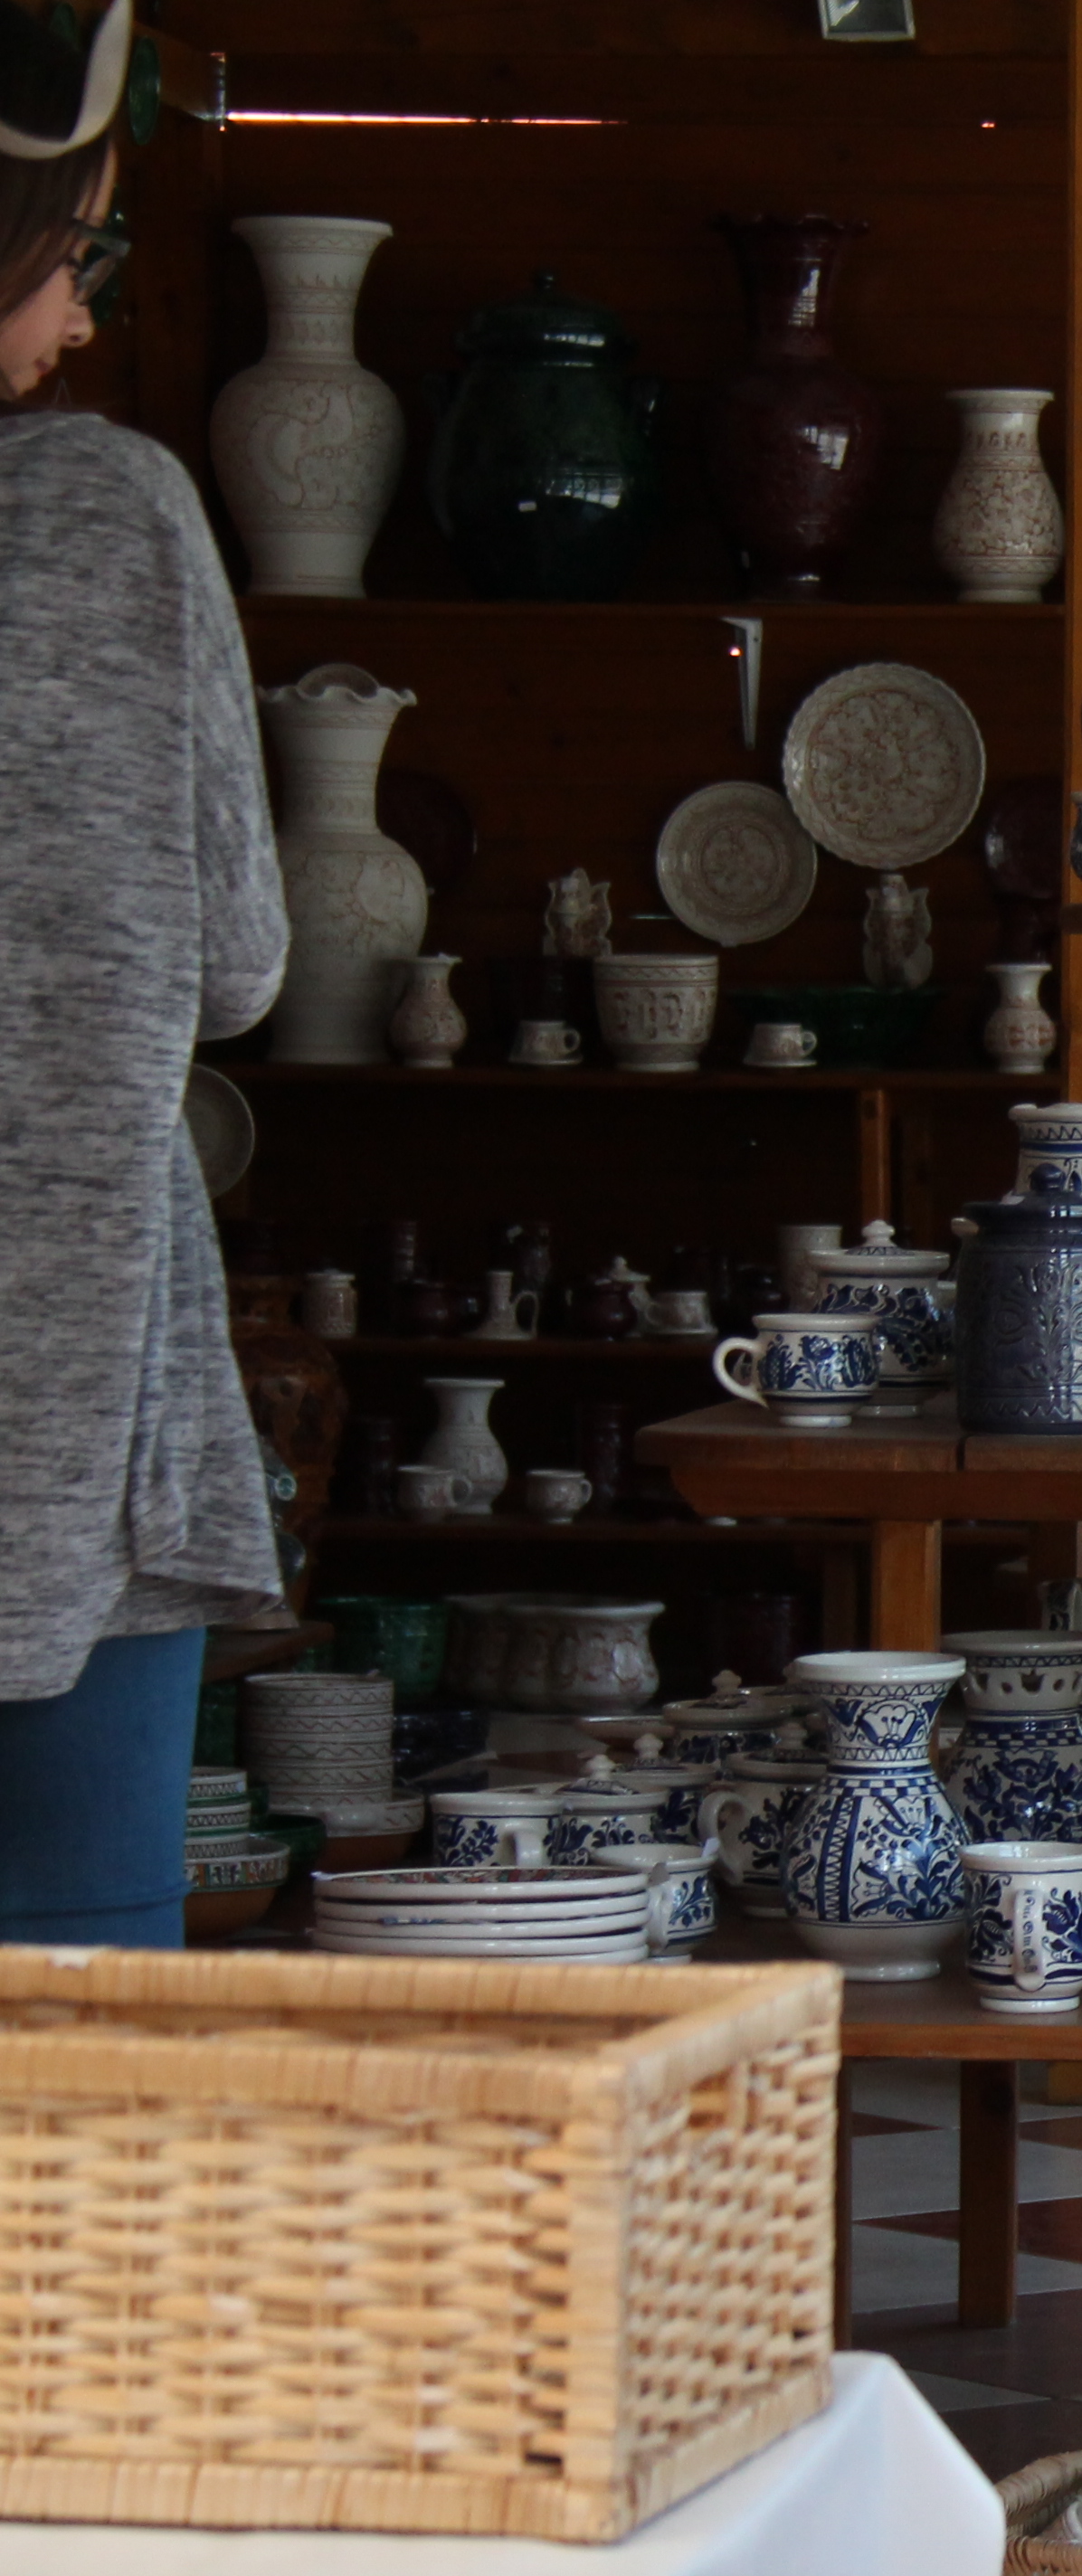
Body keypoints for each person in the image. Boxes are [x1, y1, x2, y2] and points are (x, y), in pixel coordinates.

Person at [0, 0, 294, 1945]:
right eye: (75, 254)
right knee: (87, 2011)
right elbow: (245, 964)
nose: (85, 319)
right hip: (73, 1381)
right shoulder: (105, 510)